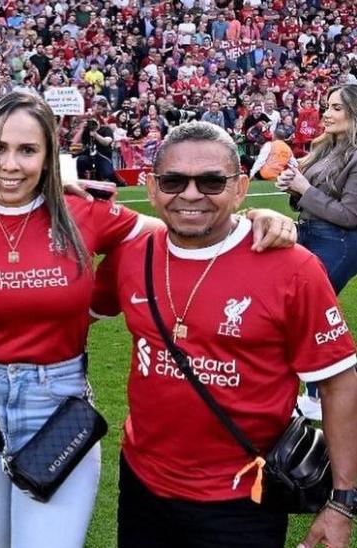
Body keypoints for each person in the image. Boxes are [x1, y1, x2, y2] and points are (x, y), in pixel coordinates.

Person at [0, 92, 297, 548]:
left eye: (27, 149)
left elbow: (185, 227)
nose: (10, 164)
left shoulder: (85, 214)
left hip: (57, 402)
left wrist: (256, 216)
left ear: (49, 156)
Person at [92, 121, 357, 548]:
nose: (191, 194)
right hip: (142, 483)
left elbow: (340, 382)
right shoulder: (130, 255)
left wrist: (342, 501)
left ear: (240, 188)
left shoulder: (293, 268)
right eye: (174, 180)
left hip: (244, 496)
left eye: (212, 181)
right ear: (151, 185)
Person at [276, 84, 357, 419]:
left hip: (340, 242)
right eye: (327, 105)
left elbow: (350, 215)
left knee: (308, 314)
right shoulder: (326, 148)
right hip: (310, 234)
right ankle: (318, 394)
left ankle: (320, 396)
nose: (326, 113)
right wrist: (293, 188)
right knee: (301, 315)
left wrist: (305, 189)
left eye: (336, 107)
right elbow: (308, 199)